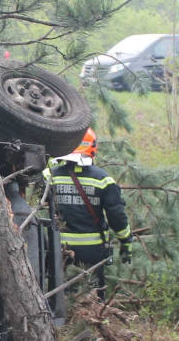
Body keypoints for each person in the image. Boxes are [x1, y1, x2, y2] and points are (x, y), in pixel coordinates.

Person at [44, 128, 132, 300]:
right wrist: (126, 242)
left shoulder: (50, 177)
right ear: (92, 148)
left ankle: (61, 324)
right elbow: (117, 217)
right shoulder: (102, 179)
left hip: (58, 248)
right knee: (93, 296)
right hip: (92, 251)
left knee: (60, 294)